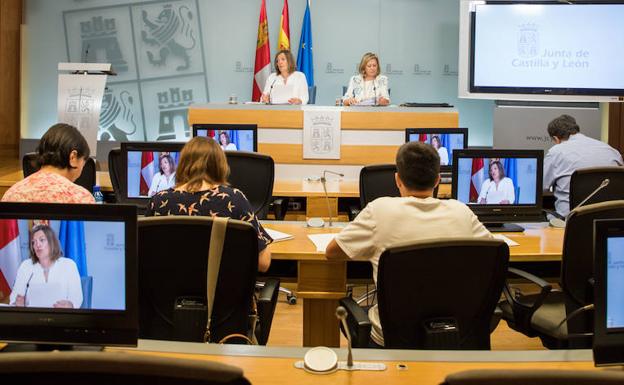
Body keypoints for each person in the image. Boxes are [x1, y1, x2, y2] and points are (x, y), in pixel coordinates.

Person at [325, 141, 492, 347]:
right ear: (438, 179)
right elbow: (493, 254)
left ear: (397, 179)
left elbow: (332, 252)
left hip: (390, 338)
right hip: (453, 334)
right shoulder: (462, 212)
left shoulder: (379, 211)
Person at [145, 136, 272, 272]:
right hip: (221, 292)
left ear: (182, 165)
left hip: (168, 292)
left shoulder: (158, 201)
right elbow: (263, 263)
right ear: (220, 165)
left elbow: (144, 256)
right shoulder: (233, 199)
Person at [544, 114, 623, 217]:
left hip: (570, 221)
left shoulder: (556, 151)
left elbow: (541, 187)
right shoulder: (610, 150)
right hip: (608, 221)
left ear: (556, 138)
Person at [2, 123, 94, 204]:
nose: (82, 167)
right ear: (73, 157)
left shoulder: (12, 194)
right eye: (83, 162)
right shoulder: (81, 198)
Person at [10, 224, 83, 308]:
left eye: (42, 240)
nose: (38, 245)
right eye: (34, 242)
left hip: (61, 317)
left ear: (52, 242)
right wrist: (18, 302)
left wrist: (70, 305)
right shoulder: (26, 266)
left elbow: (77, 297)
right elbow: (14, 297)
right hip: (32, 317)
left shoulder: (69, 265)